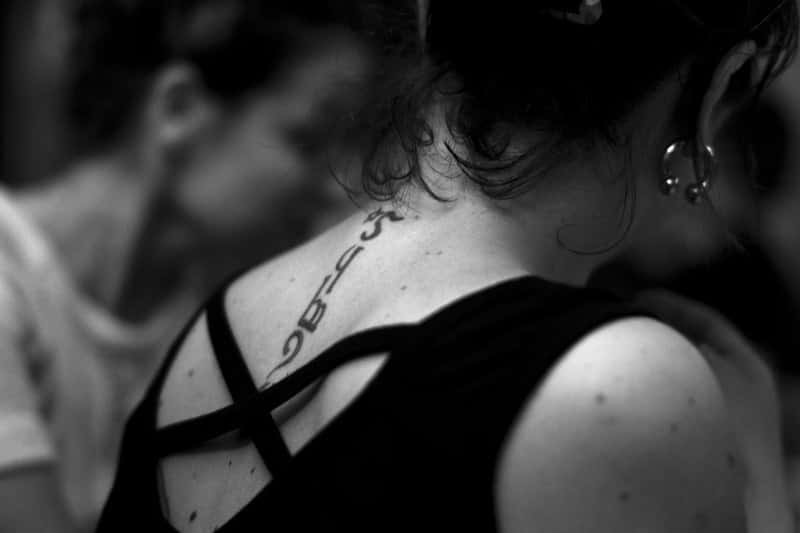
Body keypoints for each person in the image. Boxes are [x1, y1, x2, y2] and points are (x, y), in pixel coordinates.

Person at [98, 0, 798, 532]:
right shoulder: (621, 388)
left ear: (430, 19)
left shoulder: (218, 322)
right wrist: (757, 472)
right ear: (716, 90)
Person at [0, 0, 367, 531]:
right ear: (178, 109)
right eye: (306, 139)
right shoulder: (9, 280)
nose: (333, 187)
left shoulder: (209, 332)